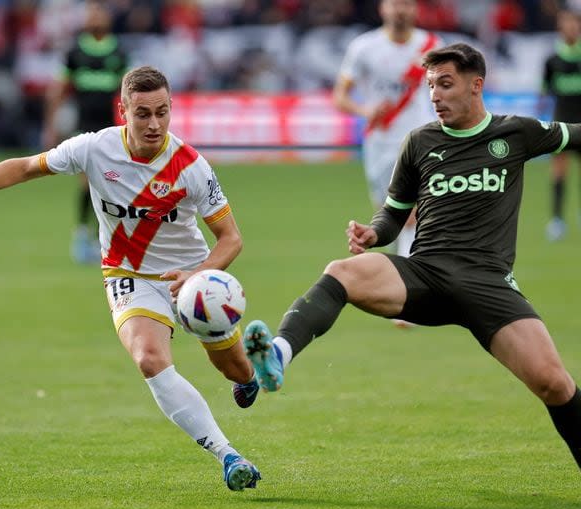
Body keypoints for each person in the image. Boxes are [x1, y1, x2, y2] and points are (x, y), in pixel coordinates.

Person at [0, 66, 263, 491]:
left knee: (234, 370)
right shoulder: (93, 148)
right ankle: (228, 455)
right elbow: (27, 166)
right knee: (149, 360)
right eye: (142, 114)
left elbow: (231, 239)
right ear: (124, 111)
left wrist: (198, 274)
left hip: (191, 277)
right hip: (127, 274)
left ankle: (251, 374)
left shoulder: (191, 166)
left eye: (162, 112)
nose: (154, 124)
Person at [244, 43, 581, 471]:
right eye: (430, 86)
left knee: (555, 383)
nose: (435, 95)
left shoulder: (516, 133)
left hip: (487, 283)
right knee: (342, 272)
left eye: (445, 84)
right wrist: (374, 232)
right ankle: (277, 355)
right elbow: (393, 213)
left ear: (476, 86)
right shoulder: (419, 142)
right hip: (424, 273)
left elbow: (576, 134)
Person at [333, 0, 440, 261]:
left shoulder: (432, 46)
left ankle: (412, 273)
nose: (400, 10)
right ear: (382, 8)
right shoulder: (364, 48)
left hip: (419, 137)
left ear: (415, 8)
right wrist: (365, 111)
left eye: (406, 4)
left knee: (413, 213)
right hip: (380, 142)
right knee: (387, 215)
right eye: (394, 4)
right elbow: (340, 97)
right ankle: (403, 269)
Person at [43, 0, 127, 264]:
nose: (94, 17)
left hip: (114, 130)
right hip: (84, 128)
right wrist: (51, 125)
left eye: (98, 11)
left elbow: (129, 92)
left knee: (114, 185)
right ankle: (82, 236)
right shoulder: (75, 51)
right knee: (86, 183)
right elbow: (58, 89)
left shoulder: (119, 52)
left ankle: (111, 238)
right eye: (90, 12)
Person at [542, 9, 581, 241]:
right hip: (562, 125)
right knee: (559, 173)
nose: (571, 28)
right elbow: (545, 92)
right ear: (560, 27)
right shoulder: (552, 60)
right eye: (566, 23)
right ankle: (557, 220)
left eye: (574, 23)